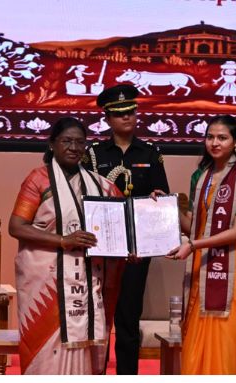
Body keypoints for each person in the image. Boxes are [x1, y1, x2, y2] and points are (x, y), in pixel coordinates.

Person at [7, 118, 118, 374]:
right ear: (52, 144)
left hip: (86, 280)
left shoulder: (100, 185)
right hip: (45, 285)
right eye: (67, 141)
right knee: (46, 348)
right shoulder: (38, 179)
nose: (73, 147)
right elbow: (16, 227)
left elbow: (121, 226)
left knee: (83, 348)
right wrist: (63, 241)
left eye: (80, 142)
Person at [165, 115, 236, 374]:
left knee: (227, 331)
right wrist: (170, 207)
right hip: (202, 262)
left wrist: (194, 244)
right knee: (197, 331)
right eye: (210, 137)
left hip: (233, 265)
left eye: (222, 137)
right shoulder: (201, 176)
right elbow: (194, 227)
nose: (214, 142)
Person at [86, 84, 169, 374]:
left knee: (128, 320)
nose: (127, 118)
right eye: (120, 114)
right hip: (100, 247)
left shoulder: (150, 152)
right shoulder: (93, 154)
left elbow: (162, 198)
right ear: (107, 118)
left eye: (131, 112)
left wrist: (158, 199)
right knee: (95, 317)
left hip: (137, 248)